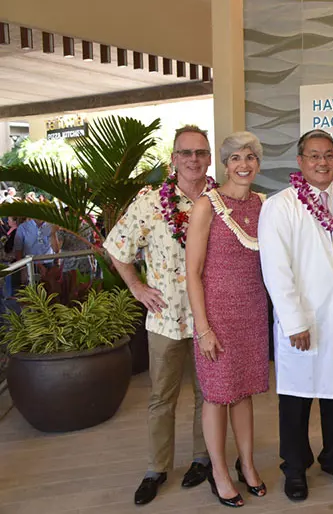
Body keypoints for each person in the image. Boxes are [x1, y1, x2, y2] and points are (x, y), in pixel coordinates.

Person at [104, 125, 216, 506]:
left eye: (201, 152)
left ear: (210, 157)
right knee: (161, 397)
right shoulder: (150, 202)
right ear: (174, 159)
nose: (194, 159)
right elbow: (117, 247)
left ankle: (205, 459)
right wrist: (137, 287)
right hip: (166, 317)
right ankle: (157, 468)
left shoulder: (223, 200)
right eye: (186, 153)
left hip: (209, 319)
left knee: (210, 395)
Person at [259, 129, 333, 502]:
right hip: (304, 319)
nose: (322, 162)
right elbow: (276, 269)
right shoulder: (281, 205)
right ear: (300, 161)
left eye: (329, 155)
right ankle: (294, 467)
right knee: (297, 398)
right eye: (314, 155)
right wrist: (294, 320)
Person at [185, 132, 270, 508]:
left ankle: (247, 464)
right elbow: (193, 272)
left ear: (258, 162)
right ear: (224, 164)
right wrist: (203, 328)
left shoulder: (264, 205)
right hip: (216, 315)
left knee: (244, 390)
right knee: (217, 395)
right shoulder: (207, 205)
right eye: (236, 157)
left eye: (250, 157)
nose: (243, 164)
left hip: (252, 311)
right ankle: (218, 471)